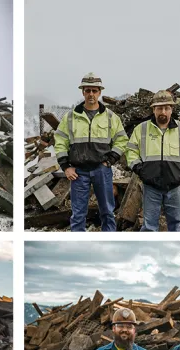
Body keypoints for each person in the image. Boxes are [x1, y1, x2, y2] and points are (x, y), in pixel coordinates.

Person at [54, 72, 128, 231]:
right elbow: (60, 142)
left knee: (107, 212)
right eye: (88, 90)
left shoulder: (110, 117)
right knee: (78, 213)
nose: (91, 94)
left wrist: (111, 160)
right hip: (78, 171)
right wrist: (66, 166)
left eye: (94, 91)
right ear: (83, 92)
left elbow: (122, 140)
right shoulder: (70, 117)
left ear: (100, 92)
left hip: (101, 170)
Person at [125, 90, 180, 231]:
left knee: (176, 224)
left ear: (172, 109)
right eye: (159, 108)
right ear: (153, 109)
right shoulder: (141, 129)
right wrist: (140, 170)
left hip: (174, 186)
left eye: (166, 108)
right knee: (149, 226)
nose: (163, 112)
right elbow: (131, 151)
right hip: (151, 186)